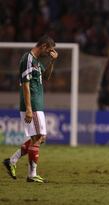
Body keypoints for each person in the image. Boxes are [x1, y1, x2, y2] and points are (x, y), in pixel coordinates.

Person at [3, 35, 58, 183]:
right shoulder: (27, 58)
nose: (49, 53)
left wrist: (52, 61)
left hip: (37, 104)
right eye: (49, 50)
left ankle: (12, 161)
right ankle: (31, 174)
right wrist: (28, 108)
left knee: (40, 138)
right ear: (44, 46)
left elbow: (45, 78)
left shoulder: (37, 62)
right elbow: (25, 85)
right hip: (32, 104)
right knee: (37, 138)